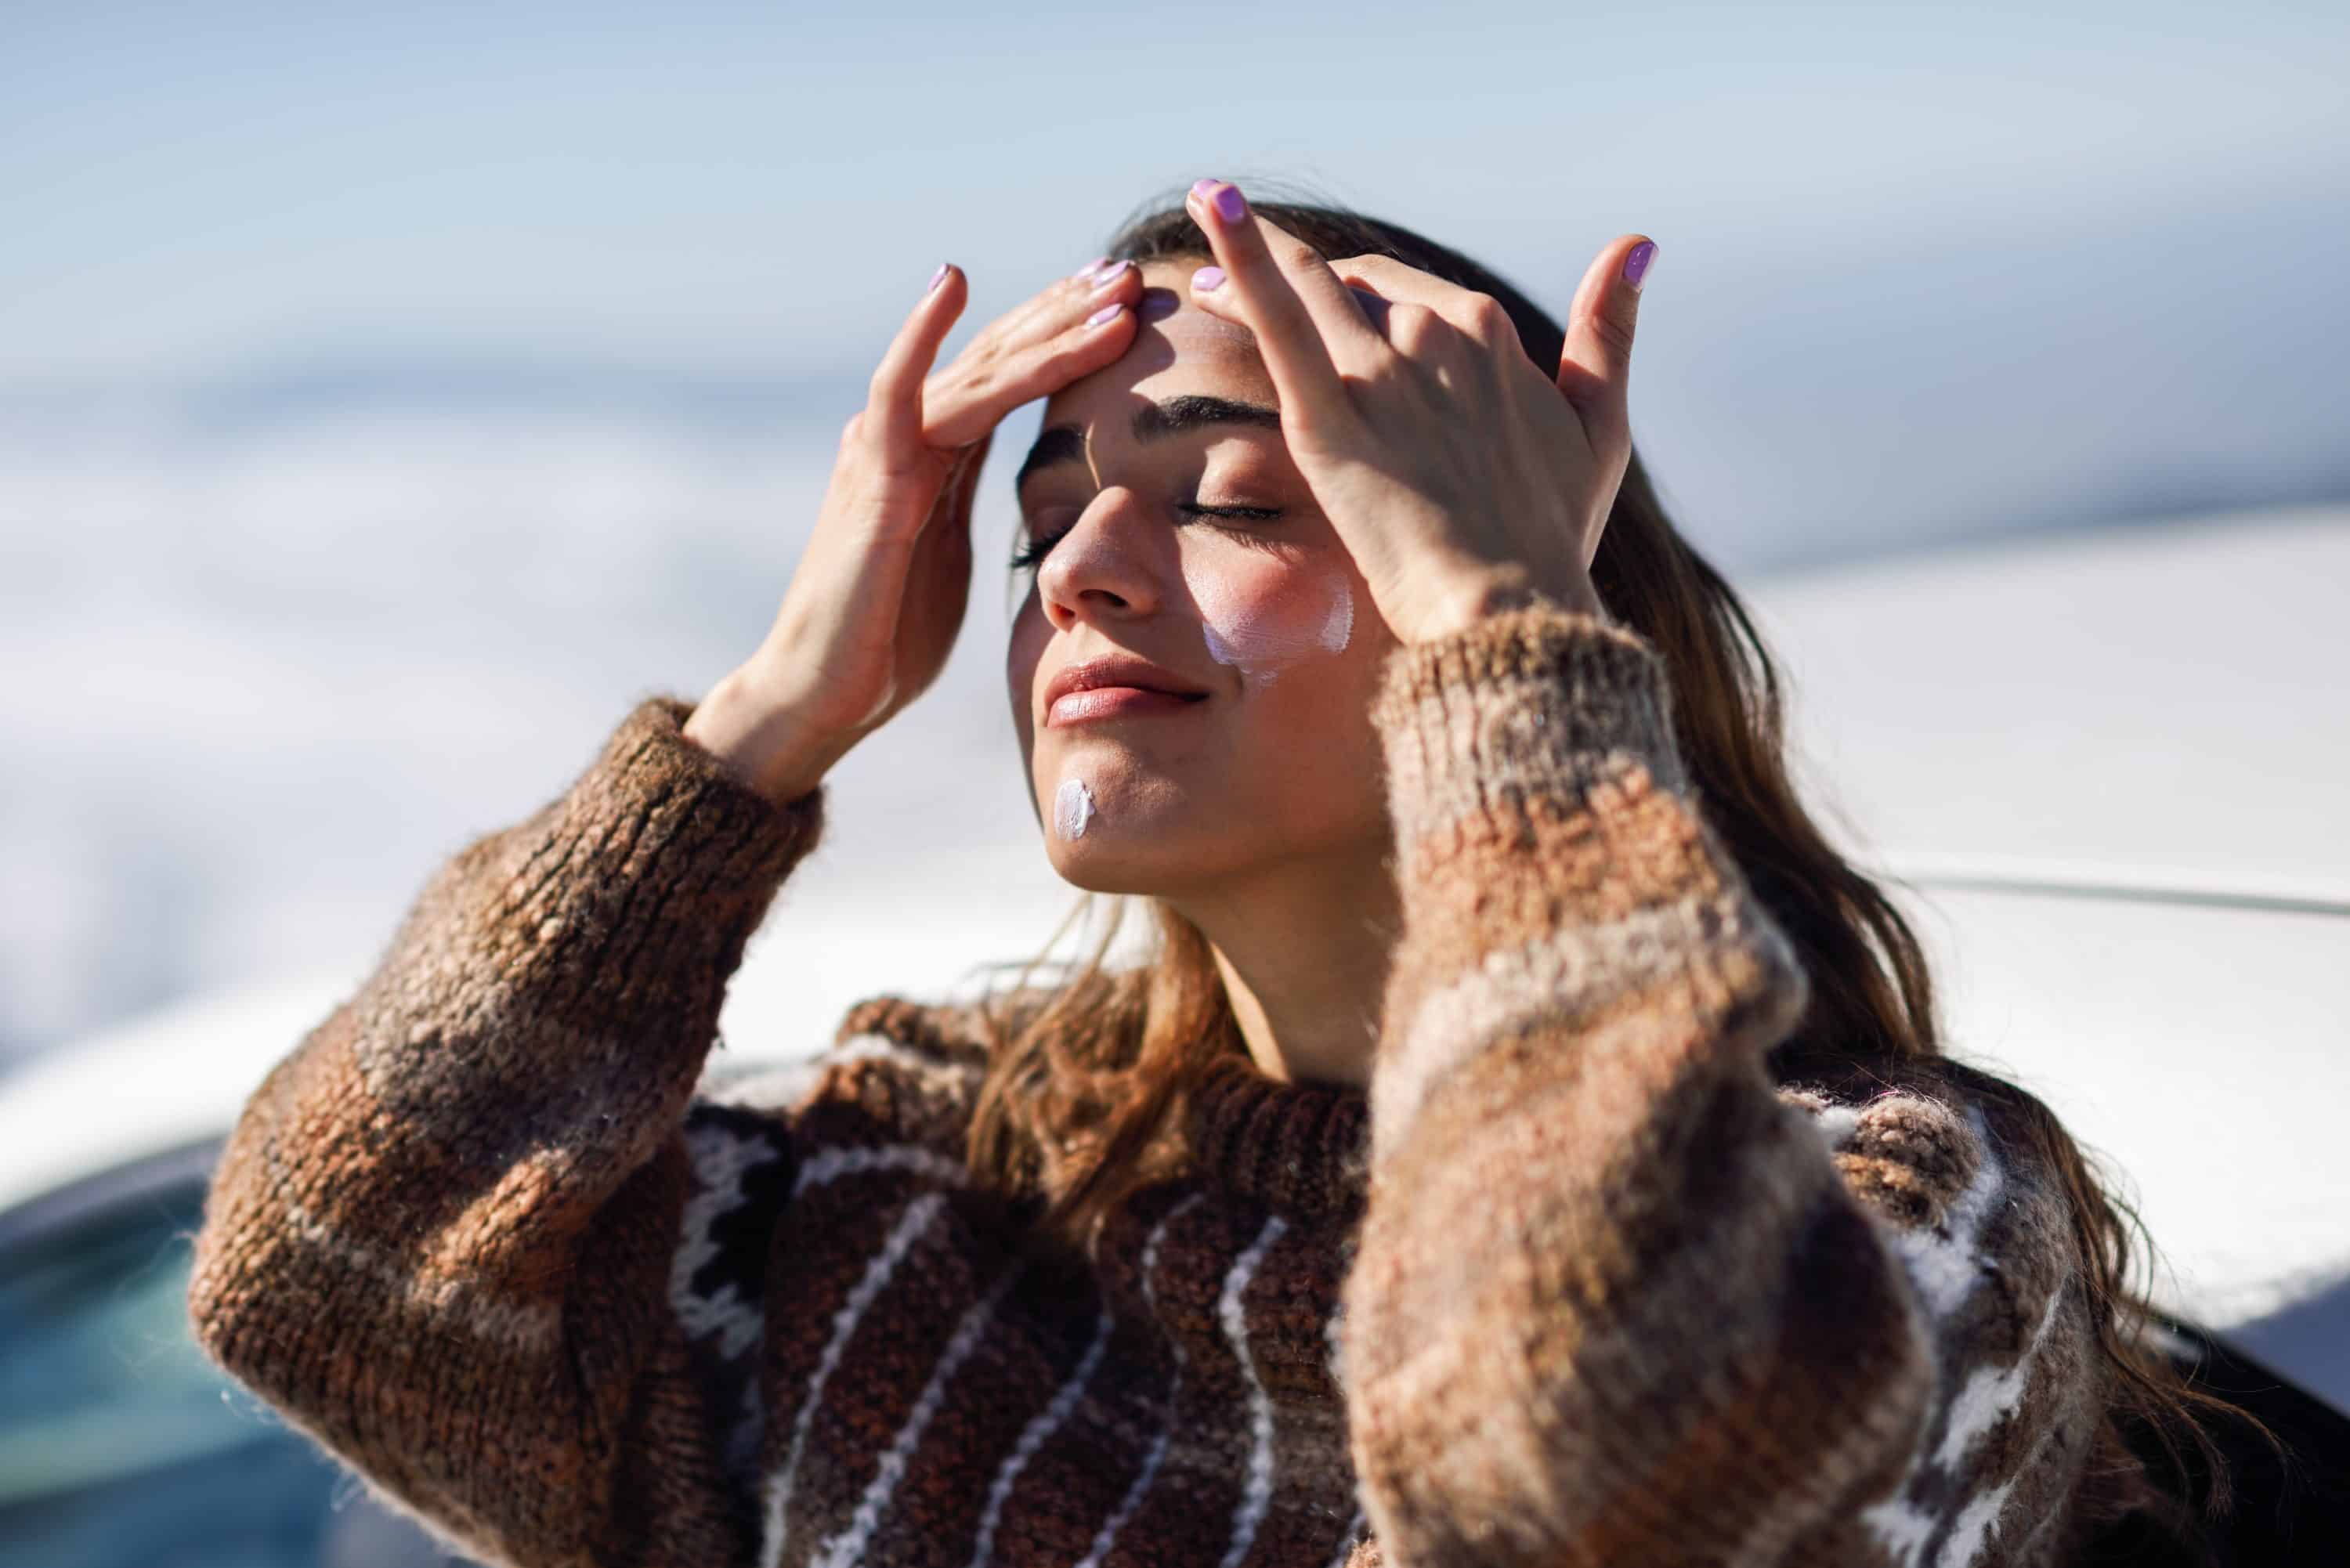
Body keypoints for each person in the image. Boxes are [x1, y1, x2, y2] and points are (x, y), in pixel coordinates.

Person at [188, 179, 2240, 1567]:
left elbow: (1592, 1462)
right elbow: (326, 1269)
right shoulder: (926, 1197)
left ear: (1505, 606)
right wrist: (757, 725)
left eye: (1239, 495)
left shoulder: (1888, 1232)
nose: (1077, 565)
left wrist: (1505, 650)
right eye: (1037, 520)